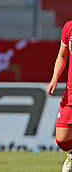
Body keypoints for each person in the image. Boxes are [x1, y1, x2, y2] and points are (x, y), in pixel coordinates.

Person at [47, 20, 72, 172]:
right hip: (71, 92)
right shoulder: (69, 27)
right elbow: (62, 56)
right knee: (62, 139)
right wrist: (54, 78)